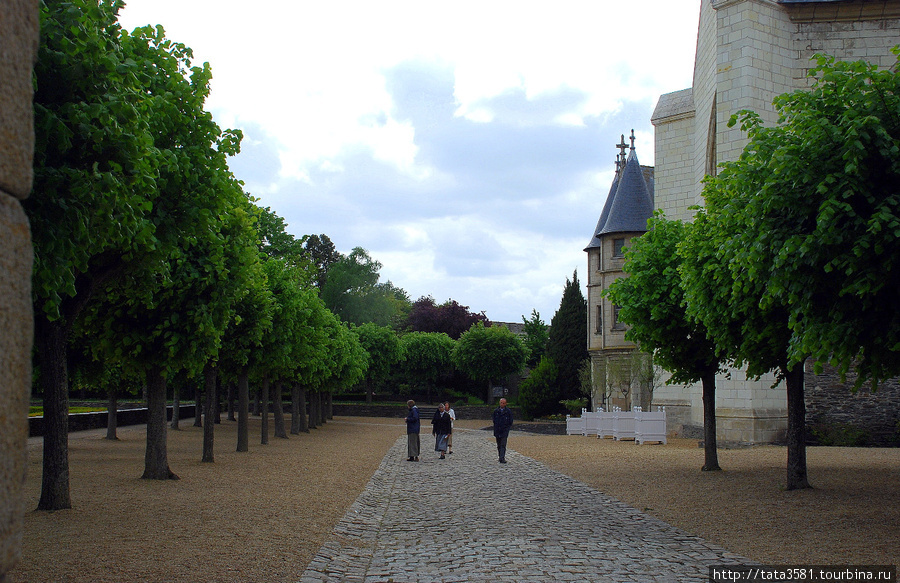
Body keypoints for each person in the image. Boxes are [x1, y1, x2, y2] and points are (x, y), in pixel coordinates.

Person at [492, 398, 513, 463]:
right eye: (501, 403)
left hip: (504, 431)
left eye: (503, 403)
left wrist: (507, 428)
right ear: (499, 403)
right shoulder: (496, 411)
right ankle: (500, 456)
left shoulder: (508, 411)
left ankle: (502, 458)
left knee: (503, 444)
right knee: (499, 445)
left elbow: (510, 421)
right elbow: (494, 420)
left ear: (506, 404)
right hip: (497, 430)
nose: (502, 404)